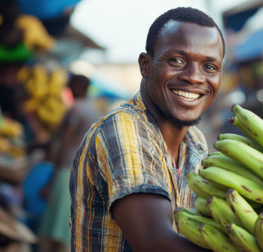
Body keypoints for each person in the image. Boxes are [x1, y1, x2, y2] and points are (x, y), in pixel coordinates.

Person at [69, 7, 225, 251]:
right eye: (177, 60)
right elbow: (155, 242)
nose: (194, 77)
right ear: (145, 65)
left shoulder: (194, 141)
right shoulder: (122, 130)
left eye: (210, 67)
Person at [37, 74, 105, 252]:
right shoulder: (94, 111)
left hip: (66, 171)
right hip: (84, 173)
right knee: (69, 226)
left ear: (75, 87)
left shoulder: (75, 110)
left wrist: (50, 181)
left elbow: (64, 144)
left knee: (53, 229)